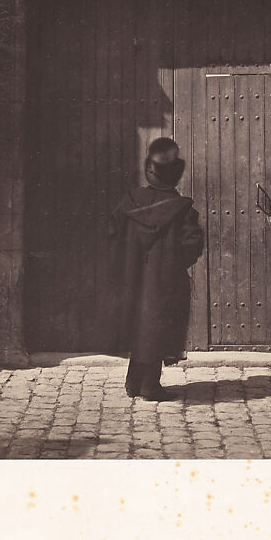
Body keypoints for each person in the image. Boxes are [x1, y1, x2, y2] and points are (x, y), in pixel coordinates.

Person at [109, 138, 205, 401]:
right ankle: (150, 386)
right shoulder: (182, 209)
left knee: (139, 327)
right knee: (157, 328)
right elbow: (192, 245)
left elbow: (113, 235)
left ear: (148, 170)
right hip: (165, 281)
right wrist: (172, 265)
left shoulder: (130, 201)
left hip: (132, 279)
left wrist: (126, 264)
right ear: (175, 175)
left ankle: (133, 382)